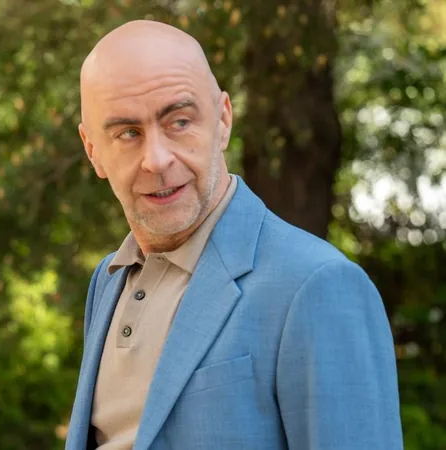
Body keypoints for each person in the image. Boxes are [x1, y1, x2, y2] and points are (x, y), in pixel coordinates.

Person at [65, 20, 402, 450]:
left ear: (223, 120)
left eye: (179, 122)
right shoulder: (108, 281)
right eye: (128, 133)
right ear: (93, 150)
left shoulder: (318, 284)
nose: (157, 160)